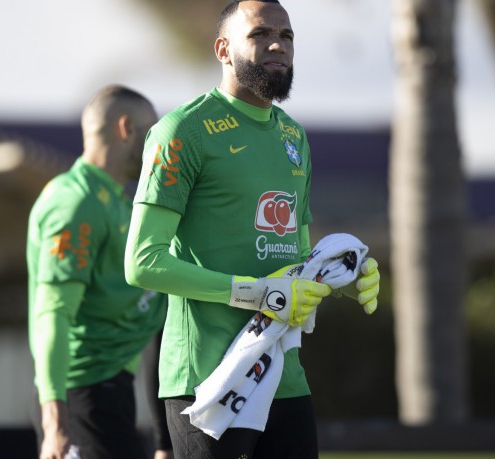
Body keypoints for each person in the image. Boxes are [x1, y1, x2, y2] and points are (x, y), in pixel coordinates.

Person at [123, 1, 380, 458]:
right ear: (223, 48)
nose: (278, 44)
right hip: (209, 382)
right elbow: (143, 263)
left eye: (287, 34)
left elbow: (296, 261)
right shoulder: (183, 130)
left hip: (285, 378)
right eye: (260, 34)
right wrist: (255, 293)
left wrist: (341, 271)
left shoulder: (294, 137)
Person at [27, 84, 171, 459]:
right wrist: (54, 424)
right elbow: (52, 315)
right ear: (126, 129)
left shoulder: (116, 201)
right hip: (85, 397)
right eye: (152, 133)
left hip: (111, 389)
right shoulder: (76, 203)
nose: (159, 149)